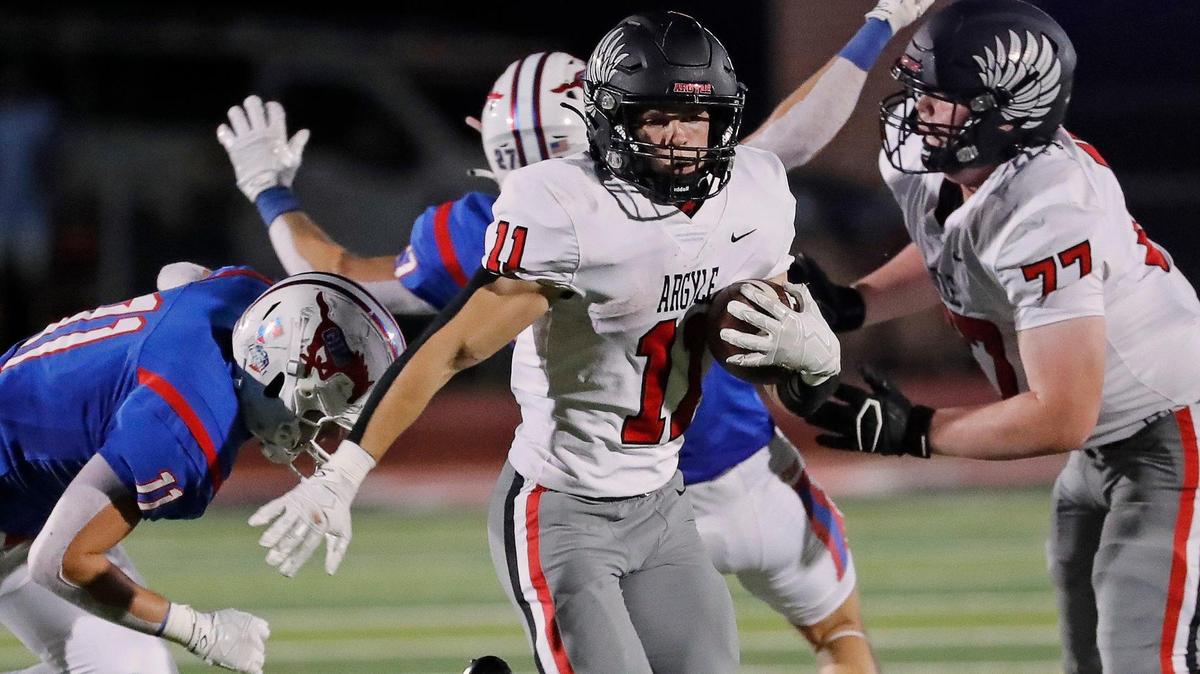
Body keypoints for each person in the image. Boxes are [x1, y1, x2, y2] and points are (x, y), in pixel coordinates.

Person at [216, 2, 932, 670]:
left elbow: (762, 330)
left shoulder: (747, 190)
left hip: (668, 494)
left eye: (695, 118)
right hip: (573, 499)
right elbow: (453, 346)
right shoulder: (561, 208)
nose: (679, 139)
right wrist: (345, 470)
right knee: (833, 631)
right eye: (656, 118)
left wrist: (815, 361)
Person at [775, 1, 1200, 672]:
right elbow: (956, 250)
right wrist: (857, 305)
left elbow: (1061, 414)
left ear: (1009, 114)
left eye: (943, 98)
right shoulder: (949, 168)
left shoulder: (1052, 208)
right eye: (918, 88)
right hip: (1104, 440)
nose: (919, 110)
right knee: (1089, 651)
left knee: (1144, 655)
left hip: (1170, 430)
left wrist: (915, 429)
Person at [0, 265, 403, 673]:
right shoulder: (185, 427)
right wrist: (198, 631)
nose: (324, 432)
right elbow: (59, 562)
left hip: (30, 500)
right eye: (321, 415)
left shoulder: (248, 300)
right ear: (279, 378)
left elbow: (177, 274)